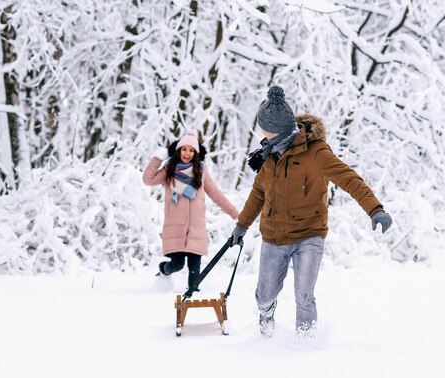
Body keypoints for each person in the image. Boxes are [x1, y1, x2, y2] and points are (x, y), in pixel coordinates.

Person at [230, 85, 393, 337]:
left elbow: (350, 179)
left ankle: (306, 346)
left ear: (279, 130)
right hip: (273, 236)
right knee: (264, 296)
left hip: (309, 234)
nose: (262, 134)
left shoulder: (316, 154)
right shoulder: (268, 154)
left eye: (266, 130)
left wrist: (375, 209)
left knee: (304, 296)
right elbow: (258, 194)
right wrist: (242, 225)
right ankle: (267, 313)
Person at [143, 130, 240, 292]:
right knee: (177, 265)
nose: (187, 153)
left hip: (196, 229)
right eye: (184, 149)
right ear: (178, 150)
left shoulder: (201, 171)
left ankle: (193, 297)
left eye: (191, 150)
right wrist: (157, 158)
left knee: (195, 273)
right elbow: (148, 179)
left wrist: (236, 214)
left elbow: (216, 195)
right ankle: (163, 270)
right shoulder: (169, 170)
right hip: (175, 228)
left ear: (195, 152)